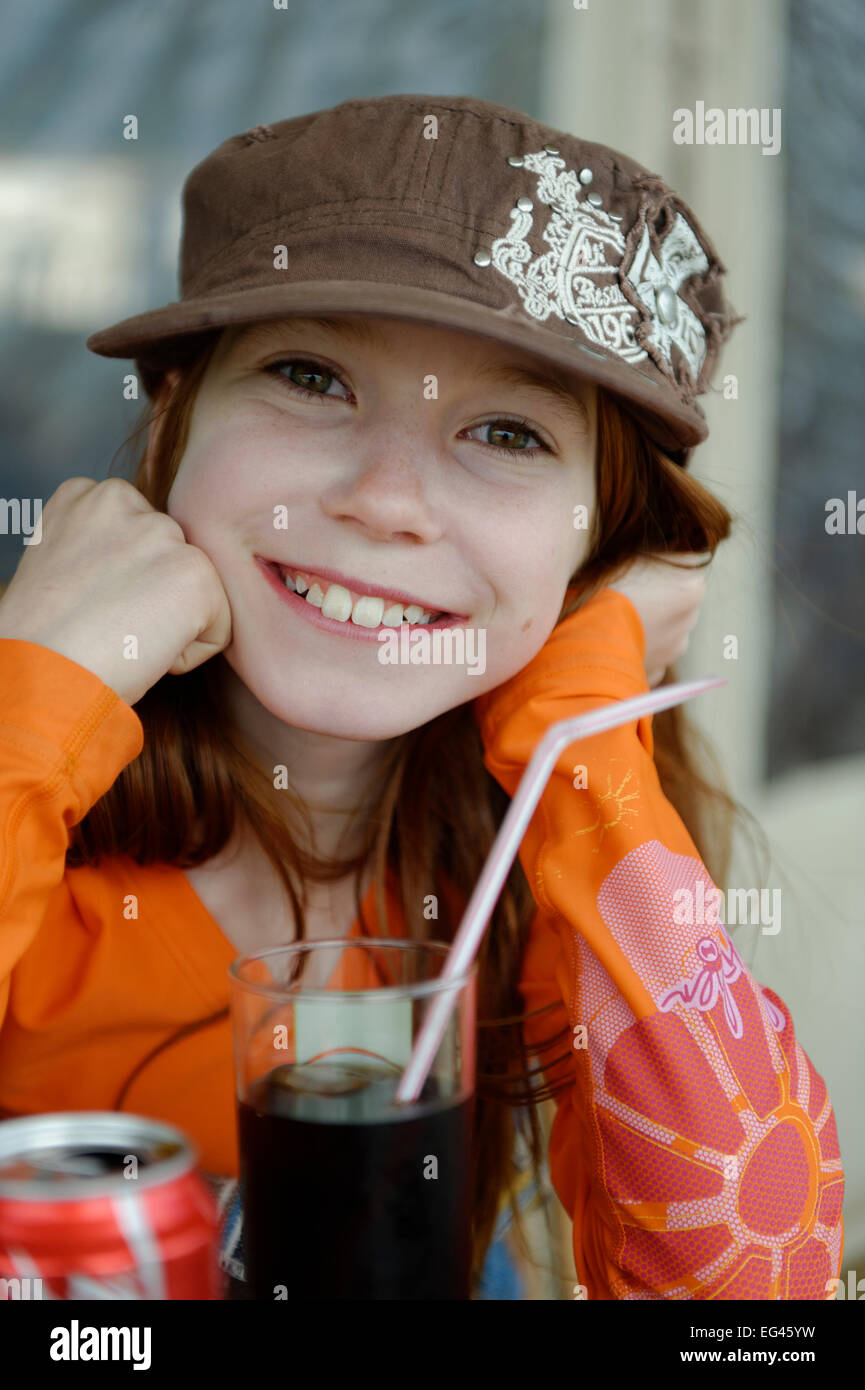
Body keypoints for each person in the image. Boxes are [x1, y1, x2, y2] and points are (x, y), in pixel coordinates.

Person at [0, 94, 844, 1300]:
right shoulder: (29, 764)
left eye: (506, 433)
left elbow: (749, 1295)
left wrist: (579, 735)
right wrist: (33, 694)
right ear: (175, 411)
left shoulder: (548, 845)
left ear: (598, 539)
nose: (386, 500)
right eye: (311, 375)